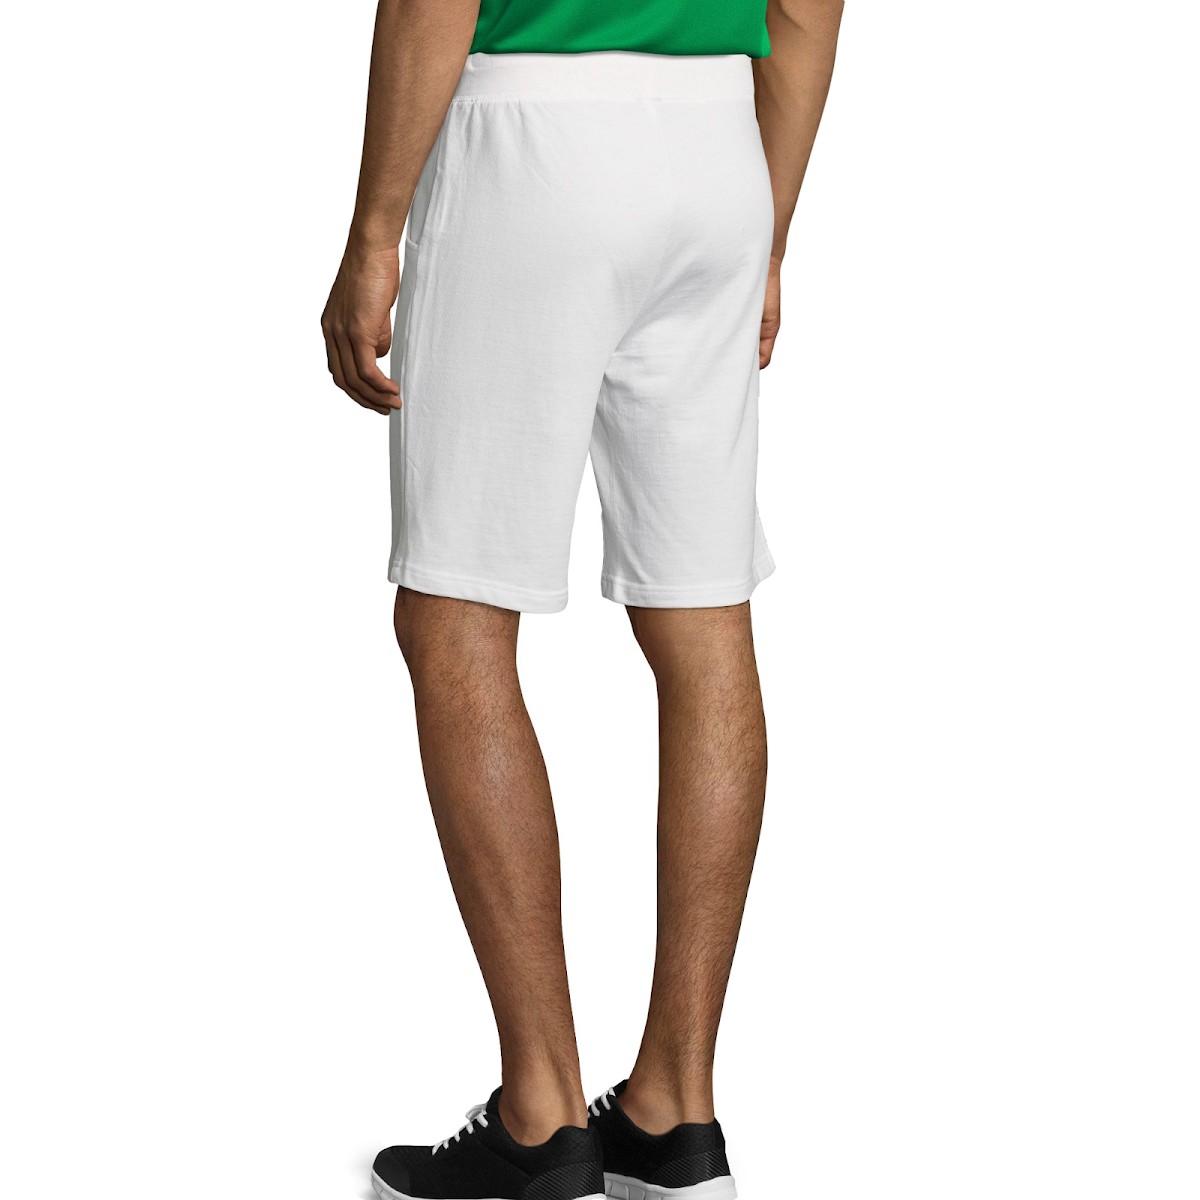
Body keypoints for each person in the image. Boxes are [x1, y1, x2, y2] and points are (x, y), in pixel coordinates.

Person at [322, 1, 842, 1197]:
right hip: (721, 148)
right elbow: (806, 5)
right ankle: (674, 1111)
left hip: (531, 134)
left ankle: (542, 1114)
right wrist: (766, 231)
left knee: (455, 617)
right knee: (704, 617)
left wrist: (374, 233)